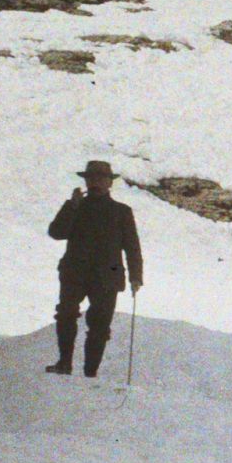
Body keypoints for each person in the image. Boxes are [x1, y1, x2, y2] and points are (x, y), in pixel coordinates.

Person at [46, 160, 143, 377]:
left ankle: (90, 373)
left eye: (100, 178)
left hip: (107, 277)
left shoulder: (122, 211)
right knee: (66, 315)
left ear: (110, 182)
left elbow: (132, 247)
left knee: (100, 325)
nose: (95, 182)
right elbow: (56, 233)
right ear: (86, 181)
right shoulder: (75, 205)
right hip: (74, 273)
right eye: (91, 178)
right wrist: (71, 206)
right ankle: (64, 364)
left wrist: (136, 276)